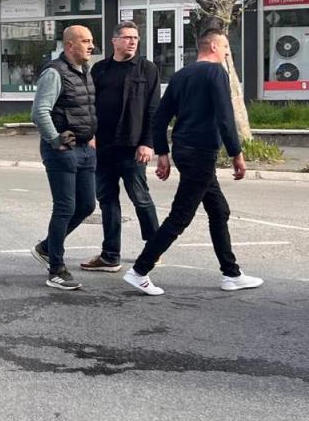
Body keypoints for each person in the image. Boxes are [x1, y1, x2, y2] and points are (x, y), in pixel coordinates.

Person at [123, 28, 263, 296]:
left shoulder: (181, 75)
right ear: (212, 46)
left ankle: (231, 274)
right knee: (180, 216)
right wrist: (237, 153)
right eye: (225, 48)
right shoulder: (216, 73)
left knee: (219, 210)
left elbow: (160, 118)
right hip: (201, 152)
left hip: (185, 150)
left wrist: (163, 153)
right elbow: (225, 116)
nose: (226, 53)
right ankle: (139, 271)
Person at [80, 21, 160, 273]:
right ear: (114, 41)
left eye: (136, 37)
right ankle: (110, 255)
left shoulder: (147, 69)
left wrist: (148, 142)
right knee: (107, 201)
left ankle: (154, 250)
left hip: (132, 147)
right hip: (103, 147)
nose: (133, 41)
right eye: (127, 37)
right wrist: (90, 135)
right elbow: (88, 105)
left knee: (141, 199)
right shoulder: (100, 70)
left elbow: (153, 110)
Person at [30, 25, 97, 291]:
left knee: (87, 206)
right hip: (63, 151)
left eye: (92, 41)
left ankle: (47, 247)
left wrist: (91, 137)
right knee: (65, 208)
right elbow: (39, 112)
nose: (91, 46)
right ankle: (56, 269)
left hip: (84, 150)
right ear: (70, 45)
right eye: (85, 41)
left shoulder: (84, 72)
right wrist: (55, 140)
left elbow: (85, 108)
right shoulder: (54, 73)